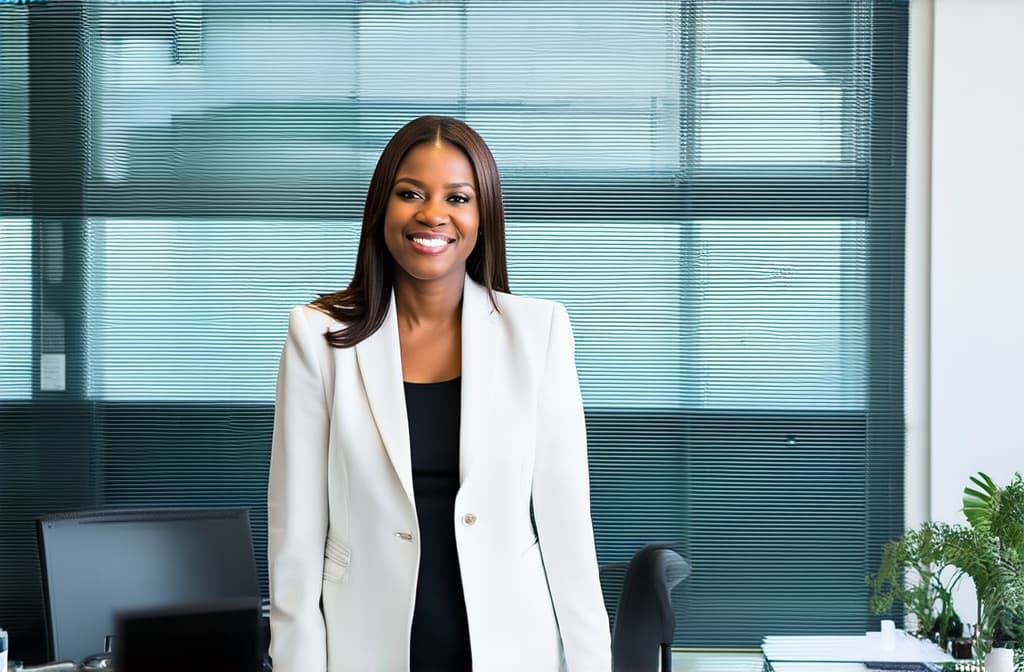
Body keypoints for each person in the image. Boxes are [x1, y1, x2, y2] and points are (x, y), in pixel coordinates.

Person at [267, 116, 611, 672]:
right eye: (411, 194)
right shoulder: (318, 335)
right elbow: (296, 539)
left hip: (508, 648)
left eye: (458, 197)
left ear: (483, 216)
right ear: (382, 208)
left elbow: (568, 530)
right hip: (367, 647)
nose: (433, 214)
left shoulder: (540, 331)